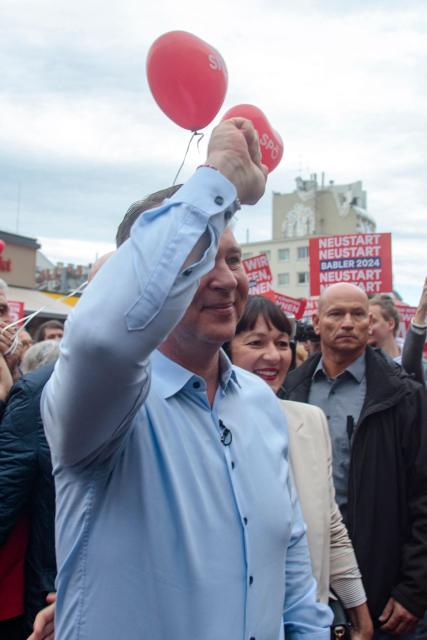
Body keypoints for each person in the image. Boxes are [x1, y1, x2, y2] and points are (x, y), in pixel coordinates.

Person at [41, 119, 332, 639]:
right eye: (198, 259)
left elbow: (286, 554)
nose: (226, 279)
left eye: (234, 259)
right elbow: (104, 339)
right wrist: (216, 178)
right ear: (145, 276)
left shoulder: (261, 405)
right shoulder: (102, 404)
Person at [283, 283, 427, 638]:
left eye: (358, 314)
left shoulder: (403, 396)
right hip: (307, 585)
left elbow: (424, 496)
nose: (347, 323)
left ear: (370, 322)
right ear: (316, 323)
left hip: (384, 590)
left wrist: (413, 589)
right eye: (336, 314)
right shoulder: (289, 391)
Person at [225, 295, 373, 639]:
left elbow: (329, 527)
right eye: (255, 342)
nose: (273, 356)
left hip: (308, 624)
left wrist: (358, 608)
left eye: (281, 343)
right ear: (225, 349)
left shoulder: (309, 421)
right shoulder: (202, 428)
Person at [369, 287, 426, 385]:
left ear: (391, 324)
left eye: (373, 321)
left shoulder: (423, 366)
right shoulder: (359, 366)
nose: (367, 327)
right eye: (364, 321)